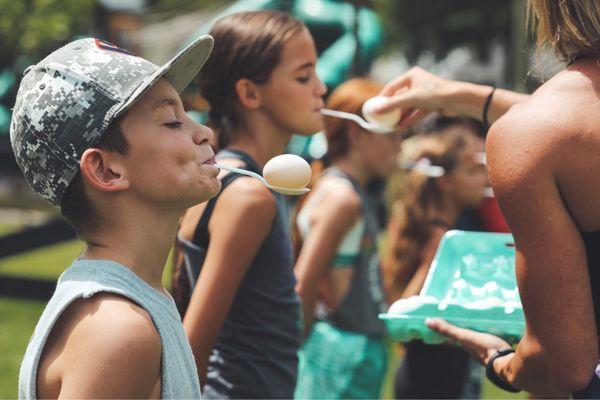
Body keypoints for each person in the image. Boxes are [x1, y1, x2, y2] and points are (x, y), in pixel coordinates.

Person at [375, 0, 600, 396]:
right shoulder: (543, 130)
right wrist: (465, 97)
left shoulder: (536, 134)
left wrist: (500, 362)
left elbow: (564, 365)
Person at [12, 35, 219, 398]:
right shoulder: (117, 330)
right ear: (106, 171)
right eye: (172, 120)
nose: (204, 132)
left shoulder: (139, 301)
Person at [170, 10, 326, 399]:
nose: (321, 89)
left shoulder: (223, 175)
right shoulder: (248, 195)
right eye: (304, 76)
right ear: (250, 93)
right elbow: (193, 347)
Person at [292, 78, 401, 399]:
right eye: (392, 135)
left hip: (353, 352)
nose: (399, 146)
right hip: (341, 356)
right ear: (356, 134)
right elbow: (304, 282)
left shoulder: (346, 191)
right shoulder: (342, 199)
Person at [383, 118, 487, 398]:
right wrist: (432, 263)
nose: (485, 179)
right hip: (431, 381)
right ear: (445, 181)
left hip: (447, 374)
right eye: (473, 171)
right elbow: (401, 319)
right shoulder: (442, 240)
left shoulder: (442, 229)